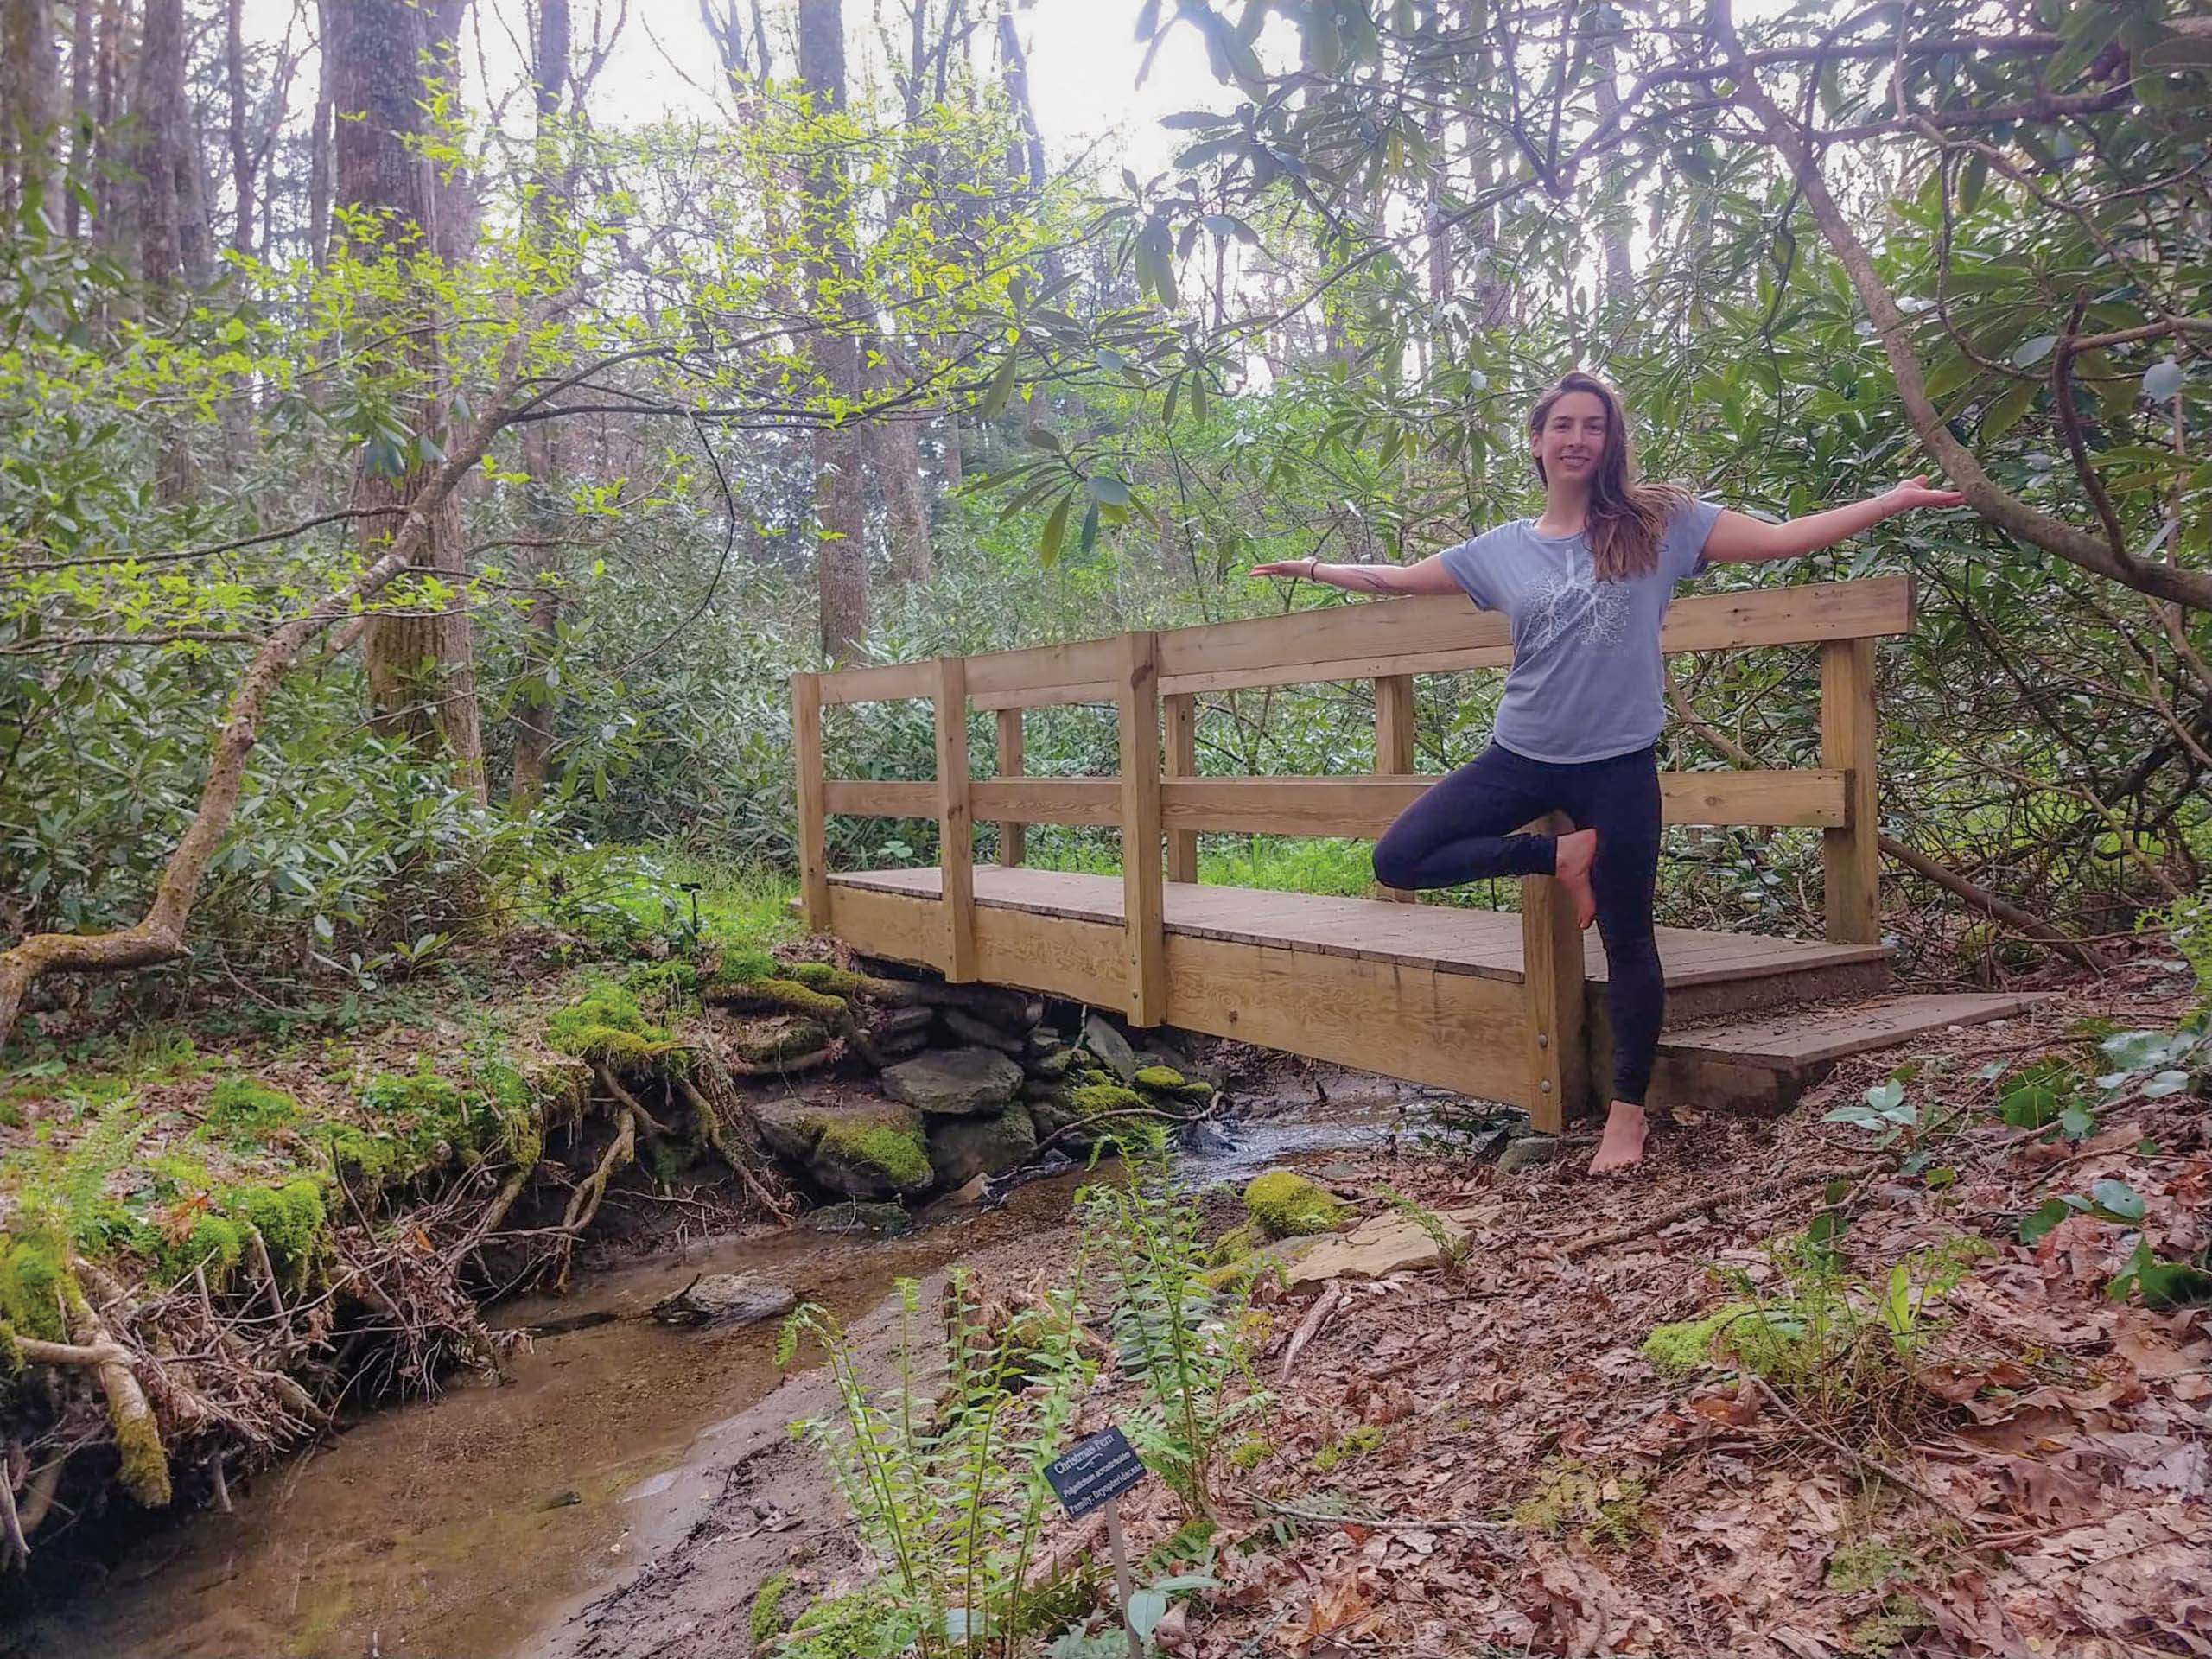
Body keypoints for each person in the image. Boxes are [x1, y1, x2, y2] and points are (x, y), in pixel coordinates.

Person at [1251, 371, 1963, 1174]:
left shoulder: (1660, 524)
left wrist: (1892, 501)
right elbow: (1402, 578)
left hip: (1618, 765)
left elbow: (1784, 538)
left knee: (1629, 941)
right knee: (1399, 857)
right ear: (1537, 439)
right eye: (1563, 425)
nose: (1578, 438)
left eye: (1593, 425)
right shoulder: (1500, 552)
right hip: (1521, 754)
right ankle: (1561, 857)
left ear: (1609, 440)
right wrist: (1311, 570)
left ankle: (1627, 1116)